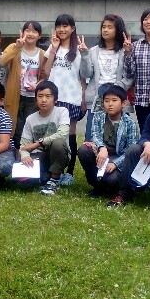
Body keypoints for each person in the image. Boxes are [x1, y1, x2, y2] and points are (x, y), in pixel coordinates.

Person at [41, 14, 91, 186]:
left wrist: (83, 98)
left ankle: (69, 172)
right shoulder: (52, 47)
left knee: (69, 134)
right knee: (53, 135)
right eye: (58, 26)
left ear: (72, 28)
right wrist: (53, 48)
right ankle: (56, 171)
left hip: (72, 97)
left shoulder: (79, 49)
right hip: (53, 97)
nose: (61, 29)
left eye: (65, 26)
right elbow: (46, 72)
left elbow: (83, 76)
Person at [78, 84, 140, 198]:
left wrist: (115, 163)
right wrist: (102, 148)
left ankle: (116, 188)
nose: (110, 104)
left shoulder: (130, 123)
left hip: (118, 158)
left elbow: (130, 150)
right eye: (106, 101)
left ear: (123, 103)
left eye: (114, 100)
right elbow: (95, 134)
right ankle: (97, 186)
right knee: (83, 150)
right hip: (102, 155)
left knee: (112, 180)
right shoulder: (98, 116)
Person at [84, 13, 133, 141]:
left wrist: (117, 88)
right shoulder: (93, 51)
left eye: (110, 27)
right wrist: (84, 55)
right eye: (104, 27)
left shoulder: (124, 50)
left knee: (120, 135)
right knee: (92, 136)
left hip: (117, 94)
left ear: (118, 30)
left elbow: (129, 76)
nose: (105, 30)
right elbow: (86, 74)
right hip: (97, 97)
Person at [19, 80, 71, 196]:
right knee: (24, 181)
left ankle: (55, 179)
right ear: (35, 99)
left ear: (55, 99)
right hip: (39, 156)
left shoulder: (62, 112)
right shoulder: (30, 119)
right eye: (40, 96)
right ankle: (47, 177)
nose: (43, 100)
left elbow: (62, 134)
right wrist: (25, 156)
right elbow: (24, 145)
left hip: (59, 154)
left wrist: (38, 143)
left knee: (57, 143)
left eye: (48, 96)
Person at [0, 21, 45, 149]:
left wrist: (38, 86)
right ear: (23, 32)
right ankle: (14, 154)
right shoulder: (15, 47)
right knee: (14, 127)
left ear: (39, 36)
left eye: (34, 31)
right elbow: (2, 62)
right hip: (15, 95)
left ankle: (28, 154)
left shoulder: (42, 54)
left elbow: (45, 75)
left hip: (33, 98)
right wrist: (17, 47)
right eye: (27, 30)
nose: (30, 34)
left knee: (30, 128)